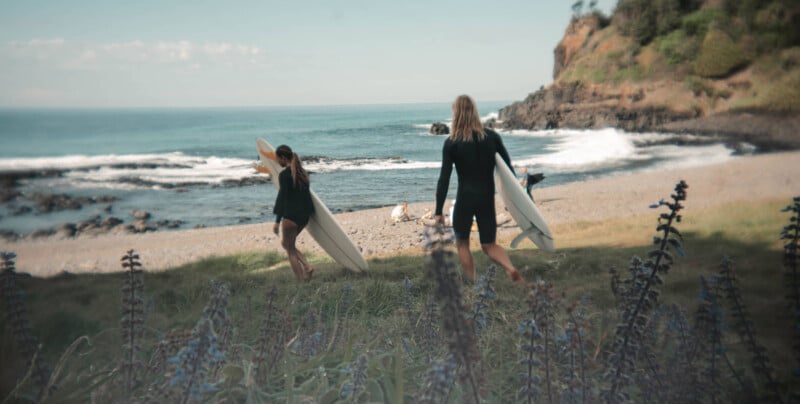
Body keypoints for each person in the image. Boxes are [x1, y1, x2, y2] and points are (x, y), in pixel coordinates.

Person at [434, 95, 527, 285]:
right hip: (486, 198)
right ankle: (510, 269)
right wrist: (515, 201)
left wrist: (438, 211)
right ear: (474, 112)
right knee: (489, 245)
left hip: (465, 199)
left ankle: (474, 282)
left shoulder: (452, 142)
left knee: (462, 243)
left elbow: (444, 179)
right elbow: (507, 170)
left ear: (456, 114)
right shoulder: (491, 137)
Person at [255, 145, 315, 281]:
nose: (277, 162)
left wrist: (277, 221)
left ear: (283, 158)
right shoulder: (302, 173)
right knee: (287, 244)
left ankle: (301, 281)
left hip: (291, 217)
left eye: (278, 159)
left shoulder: (284, 175)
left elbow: (282, 198)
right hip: (304, 216)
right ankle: (307, 266)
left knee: (290, 250)